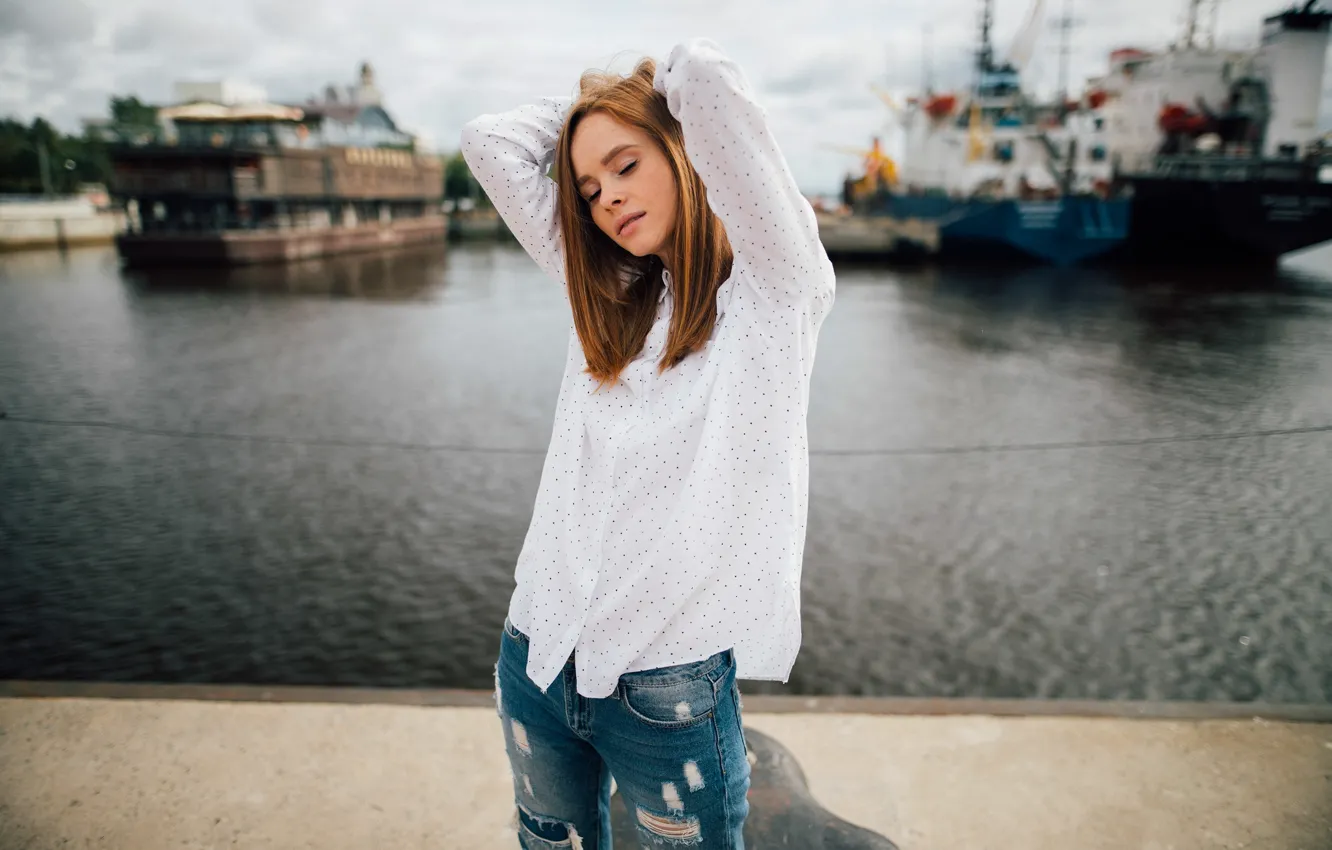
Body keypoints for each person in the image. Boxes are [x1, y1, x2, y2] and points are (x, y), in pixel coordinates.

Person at [461, 37, 835, 849]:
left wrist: (635, 93)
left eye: (627, 165)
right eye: (589, 189)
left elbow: (705, 75)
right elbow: (488, 143)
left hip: (664, 690)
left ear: (683, 147)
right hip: (535, 651)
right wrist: (591, 123)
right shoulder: (609, 293)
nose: (607, 200)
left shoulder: (774, 295)